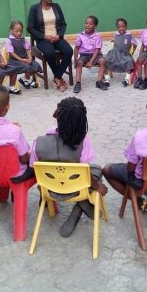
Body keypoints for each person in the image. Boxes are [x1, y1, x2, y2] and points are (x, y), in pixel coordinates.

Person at [29, 97, 107, 237]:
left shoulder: (39, 142)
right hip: (77, 190)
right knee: (96, 169)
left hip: (49, 189)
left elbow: (33, 167)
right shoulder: (84, 141)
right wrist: (97, 186)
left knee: (79, 170)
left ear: (56, 115)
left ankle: (78, 208)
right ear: (83, 121)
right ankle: (80, 207)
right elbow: (85, 171)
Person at [27, 0, 73, 92]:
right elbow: (30, 28)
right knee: (49, 53)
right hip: (43, 39)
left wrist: (59, 35)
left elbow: (63, 24)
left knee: (69, 51)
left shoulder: (56, 7)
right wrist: (44, 36)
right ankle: (58, 77)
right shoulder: (34, 8)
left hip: (57, 37)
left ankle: (57, 76)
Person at [73, 15, 108, 93]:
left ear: (95, 26)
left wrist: (91, 62)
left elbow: (97, 50)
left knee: (102, 61)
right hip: (84, 55)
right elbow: (76, 48)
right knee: (79, 63)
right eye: (86, 23)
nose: (87, 25)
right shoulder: (80, 35)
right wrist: (75, 60)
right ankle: (78, 83)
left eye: (90, 24)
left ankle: (99, 81)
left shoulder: (97, 36)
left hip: (96, 55)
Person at [5, 20, 42, 90]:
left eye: (21, 31)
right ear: (11, 30)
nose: (19, 33)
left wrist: (30, 58)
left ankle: (26, 79)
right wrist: (22, 60)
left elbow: (27, 49)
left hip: (24, 58)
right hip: (15, 61)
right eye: (17, 31)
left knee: (35, 65)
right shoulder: (9, 40)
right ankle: (12, 87)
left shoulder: (23, 39)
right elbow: (11, 53)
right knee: (27, 66)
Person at [105, 18, 138, 87]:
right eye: (119, 27)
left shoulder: (129, 35)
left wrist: (132, 51)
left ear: (126, 27)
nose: (121, 28)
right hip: (114, 53)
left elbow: (135, 44)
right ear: (117, 27)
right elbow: (116, 41)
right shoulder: (115, 34)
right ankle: (107, 79)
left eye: (123, 26)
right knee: (106, 60)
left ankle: (127, 78)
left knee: (129, 61)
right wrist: (114, 41)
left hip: (124, 53)